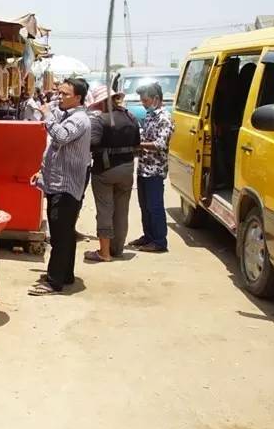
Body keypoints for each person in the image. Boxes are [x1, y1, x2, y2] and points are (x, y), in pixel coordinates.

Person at [28, 78, 92, 295]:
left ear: (78, 98)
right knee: (64, 233)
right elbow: (54, 149)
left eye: (65, 94)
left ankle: (54, 281)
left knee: (60, 235)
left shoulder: (80, 119)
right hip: (57, 182)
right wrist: (42, 171)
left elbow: (61, 137)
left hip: (66, 186)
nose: (60, 97)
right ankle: (65, 274)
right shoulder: (67, 115)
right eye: (60, 93)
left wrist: (47, 116)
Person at [84, 87, 140, 262]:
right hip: (127, 168)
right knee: (122, 210)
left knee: (105, 210)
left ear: (101, 102)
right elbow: (137, 142)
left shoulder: (100, 120)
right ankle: (117, 249)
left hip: (105, 170)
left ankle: (104, 253)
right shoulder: (130, 117)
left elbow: (92, 143)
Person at [129, 83, 175, 253]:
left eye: (146, 100)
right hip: (143, 168)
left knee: (155, 206)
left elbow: (160, 144)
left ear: (156, 99)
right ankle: (148, 236)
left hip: (155, 170)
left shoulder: (164, 118)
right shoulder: (150, 116)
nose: (143, 104)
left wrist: (138, 144)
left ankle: (159, 240)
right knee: (144, 205)